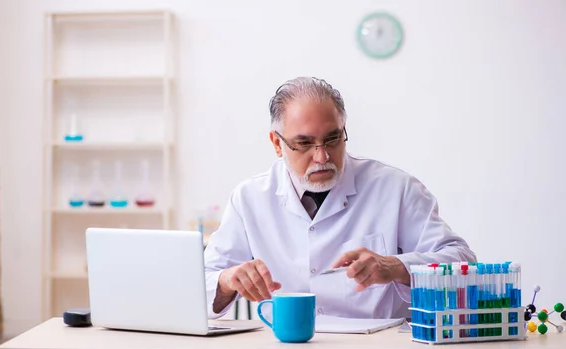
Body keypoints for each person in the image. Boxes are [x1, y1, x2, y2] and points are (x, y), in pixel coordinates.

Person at [204, 76, 476, 320]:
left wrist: (395, 266)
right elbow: (201, 286)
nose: (322, 157)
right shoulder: (249, 199)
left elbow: (463, 262)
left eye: (333, 139)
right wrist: (227, 280)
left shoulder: (396, 188)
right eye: (305, 144)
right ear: (277, 144)